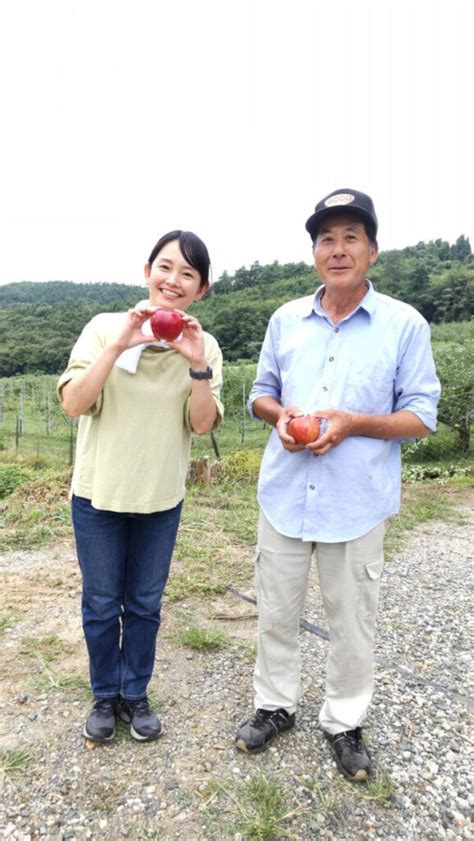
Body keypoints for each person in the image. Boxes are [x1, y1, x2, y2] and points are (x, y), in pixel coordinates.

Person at [234, 189, 440, 780]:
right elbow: (258, 395)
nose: (339, 248)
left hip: (357, 503)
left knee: (352, 618)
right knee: (275, 609)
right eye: (327, 238)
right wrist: (281, 418)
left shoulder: (404, 325)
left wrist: (352, 425)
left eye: (352, 236)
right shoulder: (285, 320)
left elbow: (421, 416)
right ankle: (274, 706)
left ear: (373, 250)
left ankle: (345, 720)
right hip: (284, 496)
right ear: (315, 253)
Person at [58, 230, 223, 743]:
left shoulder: (203, 344)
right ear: (147, 271)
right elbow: (74, 403)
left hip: (159, 498)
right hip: (98, 496)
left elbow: (201, 425)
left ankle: (136, 694)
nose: (174, 281)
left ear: (201, 289)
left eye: (188, 274)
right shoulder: (105, 327)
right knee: (102, 603)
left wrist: (196, 364)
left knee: (146, 605)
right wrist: (120, 347)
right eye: (166, 267)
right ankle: (105, 693)